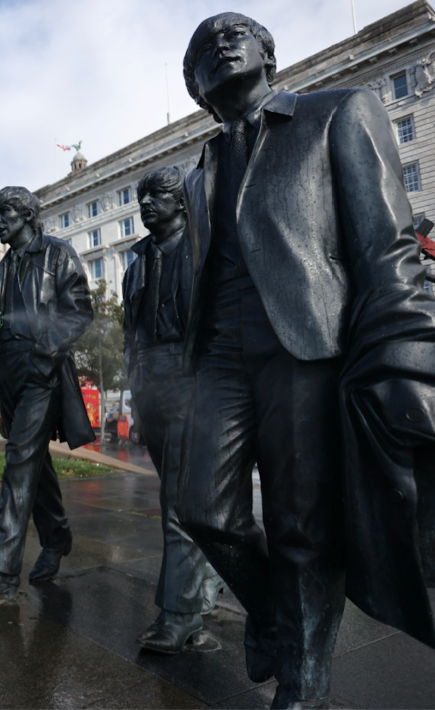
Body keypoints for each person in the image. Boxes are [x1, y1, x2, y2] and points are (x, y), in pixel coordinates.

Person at [175, 13, 435, 708]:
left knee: (301, 526)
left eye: (237, 32)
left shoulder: (339, 111)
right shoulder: (197, 172)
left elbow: (387, 241)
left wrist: (409, 347)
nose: (221, 42)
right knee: (202, 509)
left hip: (308, 339)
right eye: (202, 46)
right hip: (221, 352)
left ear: (268, 54)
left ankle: (304, 686)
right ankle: (269, 615)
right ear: (197, 86)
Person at [0, 186, 94, 602]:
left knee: (18, 463)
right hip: (11, 375)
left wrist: (45, 356)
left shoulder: (58, 254)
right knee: (33, 462)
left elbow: (79, 310)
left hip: (44, 370)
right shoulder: (2, 268)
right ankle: (56, 538)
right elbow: (5, 326)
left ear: (26, 215)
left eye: (4, 214)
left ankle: (1, 573)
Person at [122, 166, 224, 654]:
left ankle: (180, 613)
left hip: (195, 380)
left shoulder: (207, 246)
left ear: (182, 201)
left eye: (156, 195)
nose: (145, 203)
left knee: (180, 501)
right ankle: (207, 589)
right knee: (188, 496)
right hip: (152, 383)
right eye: (141, 196)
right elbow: (129, 335)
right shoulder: (137, 260)